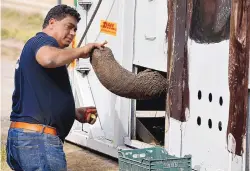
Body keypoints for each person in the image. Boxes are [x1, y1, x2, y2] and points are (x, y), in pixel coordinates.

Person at [6, 4, 107, 171]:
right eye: (69, 27)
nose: (73, 33)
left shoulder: (39, 48)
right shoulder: (43, 42)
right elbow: (48, 59)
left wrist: (73, 112)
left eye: (75, 29)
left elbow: (39, 95)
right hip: (38, 140)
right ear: (52, 22)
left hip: (27, 138)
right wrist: (82, 51)